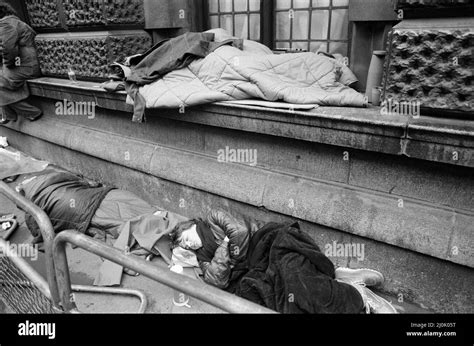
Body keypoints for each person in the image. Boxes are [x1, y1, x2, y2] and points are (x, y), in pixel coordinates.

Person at [170, 209, 398, 314]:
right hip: (256, 270)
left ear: (191, 225)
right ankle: (340, 282)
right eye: (183, 246)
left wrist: (230, 256)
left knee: (296, 278)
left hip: (269, 243)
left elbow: (240, 232)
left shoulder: (213, 218)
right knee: (286, 300)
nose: (187, 245)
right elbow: (217, 281)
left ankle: (359, 297)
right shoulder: (202, 260)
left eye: (185, 238)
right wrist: (225, 247)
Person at [0, 1, 42, 125]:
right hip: (28, 64)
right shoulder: (13, 21)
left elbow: (9, 49)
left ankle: (31, 112)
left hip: (27, 66)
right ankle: (9, 115)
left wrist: (9, 65)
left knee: (1, 83)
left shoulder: (6, 24)